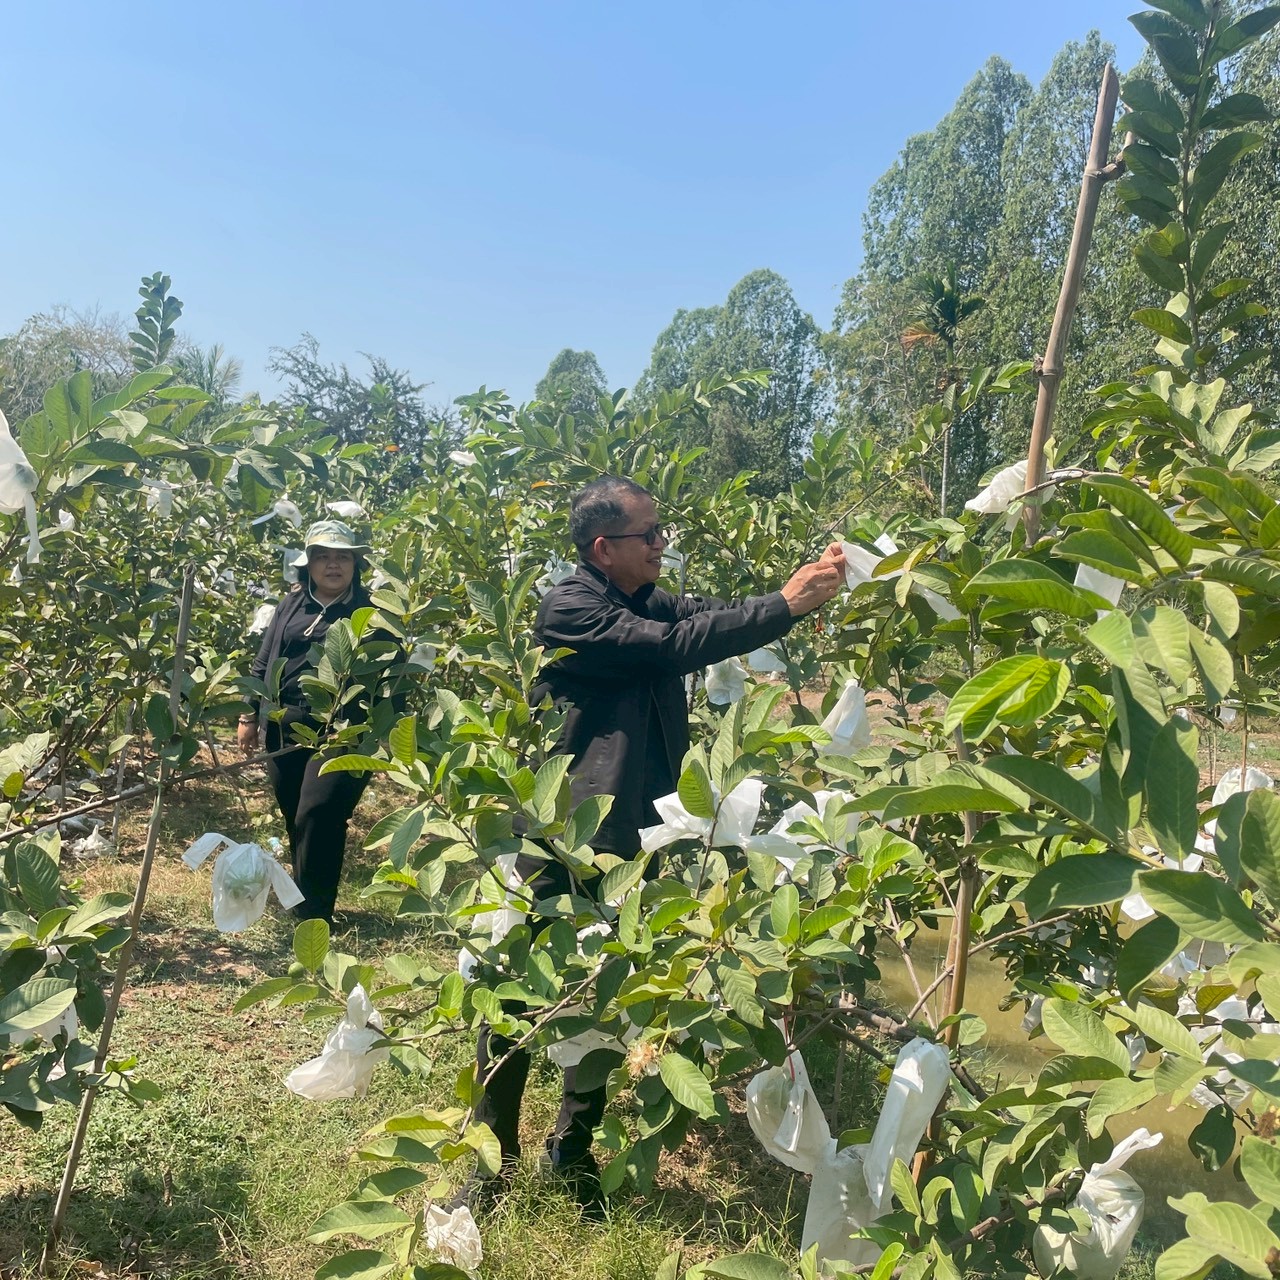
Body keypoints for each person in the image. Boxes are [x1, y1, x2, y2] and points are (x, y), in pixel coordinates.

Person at [469, 475, 845, 1211]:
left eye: (661, 531)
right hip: (566, 836)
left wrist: (805, 586)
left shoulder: (647, 598)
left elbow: (716, 616)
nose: (662, 545)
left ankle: (571, 1154)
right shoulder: (571, 607)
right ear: (604, 547)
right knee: (513, 995)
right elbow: (673, 646)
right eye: (650, 535)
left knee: (613, 991)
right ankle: (492, 1163)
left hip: (640, 837)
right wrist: (787, 604)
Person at [238, 519, 389, 925]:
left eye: (343, 557)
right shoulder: (291, 604)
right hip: (285, 727)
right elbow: (264, 659)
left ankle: (315, 916)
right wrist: (249, 713)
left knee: (318, 813)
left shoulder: (372, 613)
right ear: (309, 564)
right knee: (294, 813)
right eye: (323, 556)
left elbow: (392, 674)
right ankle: (303, 898)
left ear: (356, 564)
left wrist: (382, 732)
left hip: (343, 731)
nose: (333, 565)